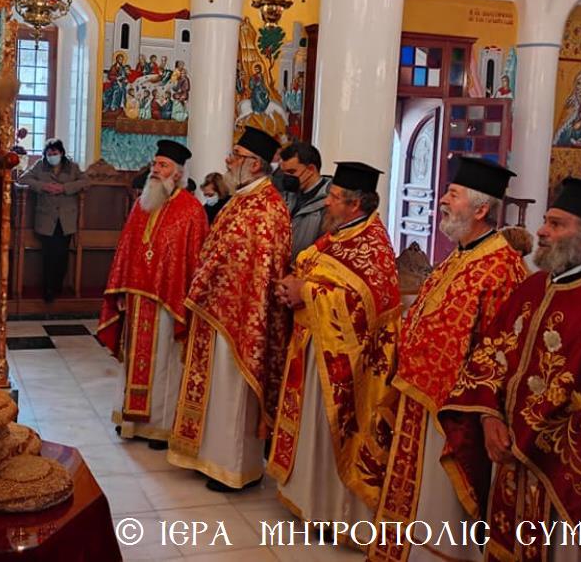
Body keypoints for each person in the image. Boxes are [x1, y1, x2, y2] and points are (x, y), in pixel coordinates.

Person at [439, 178, 581, 561]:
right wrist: (488, 417)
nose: (541, 231)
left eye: (555, 224)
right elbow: (490, 357)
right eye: (546, 220)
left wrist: (526, 436)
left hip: (564, 482)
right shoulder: (532, 288)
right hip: (510, 463)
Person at [368, 157, 528, 562]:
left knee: (440, 504)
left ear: (480, 209)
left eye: (452, 195)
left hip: (454, 411)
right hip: (418, 398)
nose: (442, 200)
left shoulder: (502, 267)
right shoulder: (459, 255)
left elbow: (501, 348)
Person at [268, 161, 400, 533]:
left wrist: (305, 292)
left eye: (335, 197)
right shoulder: (339, 234)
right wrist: (293, 285)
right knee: (311, 425)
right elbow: (312, 269)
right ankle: (306, 496)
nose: (327, 202)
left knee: (329, 430)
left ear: (355, 204)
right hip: (313, 349)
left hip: (342, 363)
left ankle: (331, 509)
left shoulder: (373, 244)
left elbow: (363, 307)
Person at [168, 126, 291, 491]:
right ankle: (205, 456)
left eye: (235, 155)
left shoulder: (268, 208)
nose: (228, 159)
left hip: (241, 318)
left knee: (232, 391)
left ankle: (233, 467)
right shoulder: (242, 199)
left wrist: (217, 285)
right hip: (215, 308)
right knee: (213, 387)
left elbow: (260, 268)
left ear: (254, 164)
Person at [98, 141, 208, 449]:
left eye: (163, 166)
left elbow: (193, 261)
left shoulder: (192, 211)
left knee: (164, 365)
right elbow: (127, 250)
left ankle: (160, 427)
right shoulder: (142, 204)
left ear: (178, 173)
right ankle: (130, 421)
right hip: (136, 298)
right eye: (155, 164)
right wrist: (121, 288)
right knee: (133, 360)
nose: (156, 170)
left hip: (168, 303)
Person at [18, 138, 89, 302]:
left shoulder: (72, 167)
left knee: (62, 255)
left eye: (55, 153)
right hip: (46, 218)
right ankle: (48, 289)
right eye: (49, 154)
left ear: (61, 153)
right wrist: (43, 186)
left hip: (66, 219)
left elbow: (86, 181)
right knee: (49, 255)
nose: (52, 156)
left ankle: (57, 286)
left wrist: (64, 188)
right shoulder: (40, 165)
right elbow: (23, 178)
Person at [278, 141, 331, 261]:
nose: (287, 178)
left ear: (311, 169)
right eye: (284, 173)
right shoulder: (286, 196)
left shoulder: (329, 203)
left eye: (292, 172)